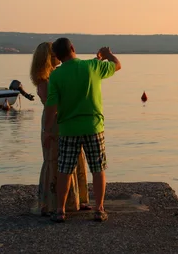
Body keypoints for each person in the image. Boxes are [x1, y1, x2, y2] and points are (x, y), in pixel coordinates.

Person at [43, 38, 121, 222]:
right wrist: (107, 54)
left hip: (68, 129)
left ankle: (61, 210)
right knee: (98, 169)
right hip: (93, 127)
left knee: (65, 170)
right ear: (72, 48)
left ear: (57, 56)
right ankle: (99, 209)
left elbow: (51, 106)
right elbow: (117, 65)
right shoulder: (93, 66)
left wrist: (47, 130)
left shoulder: (56, 75)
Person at [29, 42, 92, 216]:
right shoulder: (46, 80)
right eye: (54, 54)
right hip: (56, 123)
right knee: (58, 160)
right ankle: (57, 202)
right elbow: (53, 105)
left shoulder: (53, 76)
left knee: (72, 158)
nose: (58, 56)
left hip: (63, 120)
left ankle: (76, 199)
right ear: (49, 58)